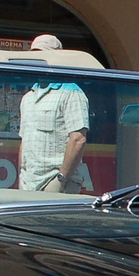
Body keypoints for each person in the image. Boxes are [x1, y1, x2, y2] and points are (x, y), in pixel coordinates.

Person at [17, 35, 91, 193]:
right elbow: (24, 141)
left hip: (56, 180)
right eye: (35, 55)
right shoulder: (28, 97)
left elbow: (78, 139)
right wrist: (21, 176)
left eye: (44, 54)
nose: (40, 60)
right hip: (28, 183)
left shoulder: (71, 91)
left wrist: (62, 178)